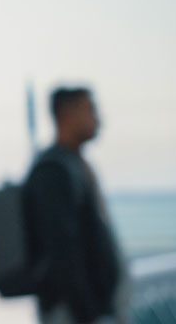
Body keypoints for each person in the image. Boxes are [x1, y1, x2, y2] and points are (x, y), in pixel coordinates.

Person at [24, 87, 128, 324]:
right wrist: (88, 314)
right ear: (66, 115)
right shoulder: (53, 171)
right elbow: (63, 252)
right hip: (72, 313)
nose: (97, 119)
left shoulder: (73, 165)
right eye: (89, 109)